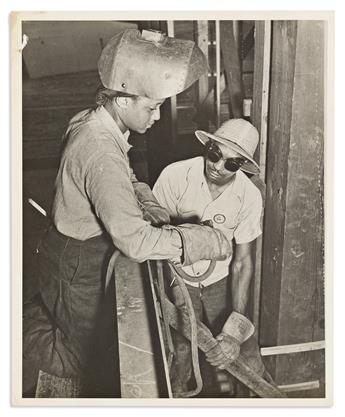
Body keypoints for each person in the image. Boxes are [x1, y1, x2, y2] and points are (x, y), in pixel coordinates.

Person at [22, 28, 232, 397]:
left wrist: (147, 201)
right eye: (150, 107)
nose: (156, 116)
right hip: (77, 260)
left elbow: (125, 176)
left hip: (75, 250)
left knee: (85, 335)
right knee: (82, 360)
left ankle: (43, 310)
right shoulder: (99, 147)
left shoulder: (93, 120)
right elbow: (134, 242)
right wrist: (196, 240)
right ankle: (18, 328)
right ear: (121, 101)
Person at [152, 118, 267, 397]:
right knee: (180, 349)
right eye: (215, 154)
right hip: (177, 276)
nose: (217, 166)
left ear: (240, 167)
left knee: (244, 350)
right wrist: (173, 292)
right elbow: (152, 237)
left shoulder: (249, 197)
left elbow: (243, 261)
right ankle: (176, 396)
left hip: (220, 280)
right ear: (209, 147)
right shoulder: (175, 176)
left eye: (230, 163)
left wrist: (236, 325)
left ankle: (255, 401)